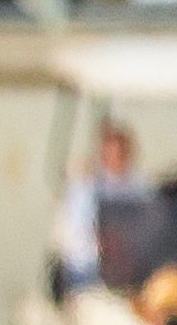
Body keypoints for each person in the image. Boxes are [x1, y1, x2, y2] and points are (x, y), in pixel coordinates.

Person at [53, 120, 149, 291]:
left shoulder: (140, 189)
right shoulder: (85, 187)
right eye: (109, 152)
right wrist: (100, 242)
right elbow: (74, 234)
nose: (114, 158)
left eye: (120, 153)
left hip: (130, 270)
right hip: (90, 271)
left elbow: (150, 229)